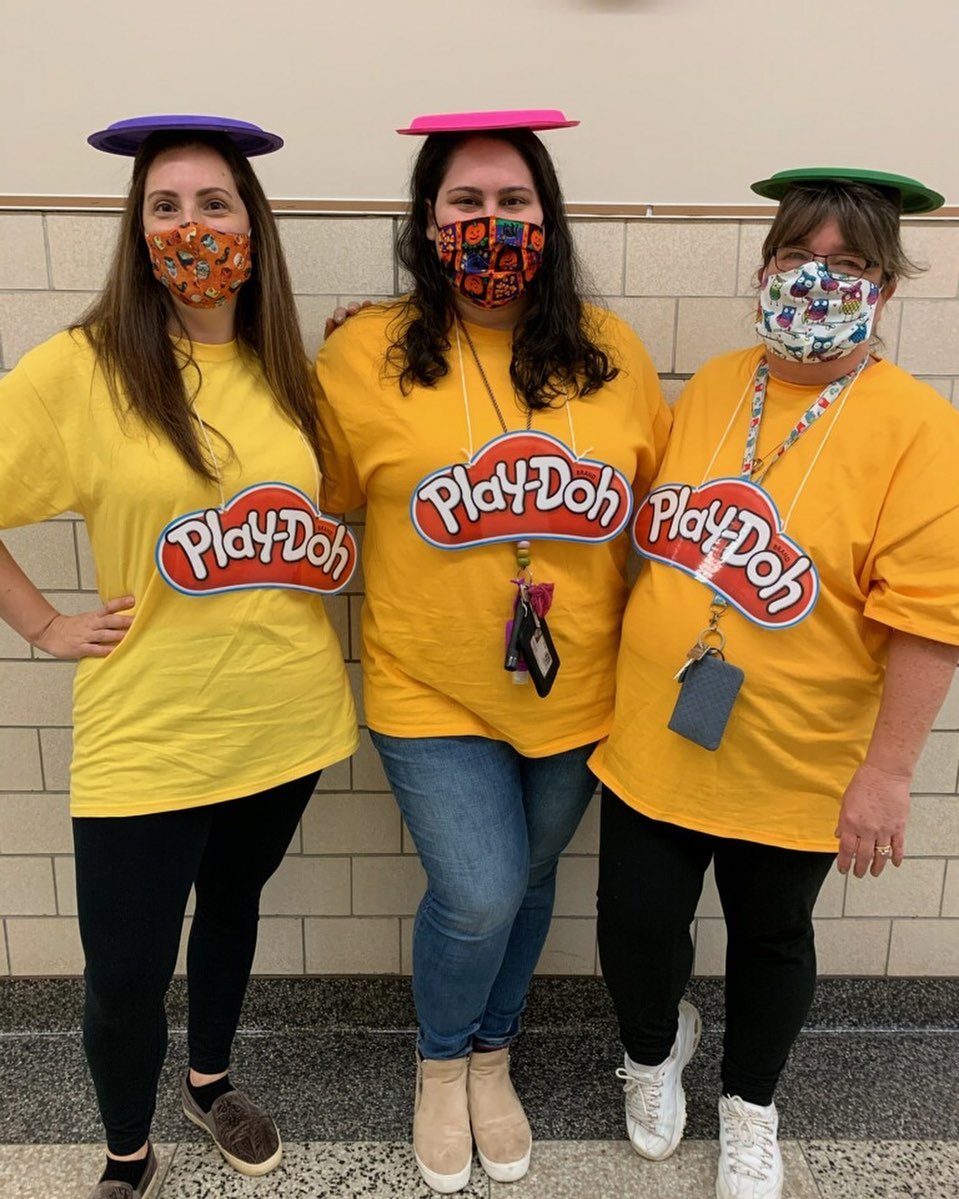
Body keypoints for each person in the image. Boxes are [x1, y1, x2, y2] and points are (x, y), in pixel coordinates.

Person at [0, 114, 358, 1199]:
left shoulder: (291, 370)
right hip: (147, 730)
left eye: (214, 203)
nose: (191, 223)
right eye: (166, 204)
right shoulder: (81, 367)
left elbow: (343, 504)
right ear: (136, 225)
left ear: (252, 225)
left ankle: (210, 1080)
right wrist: (42, 623)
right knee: (120, 975)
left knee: (234, 905)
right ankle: (125, 1154)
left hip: (284, 717)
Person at [317, 109, 670, 1192]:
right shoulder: (362, 351)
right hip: (428, 684)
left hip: (577, 687)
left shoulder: (611, 352)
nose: (490, 221)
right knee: (475, 887)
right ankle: (436, 1064)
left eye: (513, 201)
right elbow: (324, 513)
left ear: (547, 219)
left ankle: (490, 1050)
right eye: (465, 202)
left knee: (526, 879)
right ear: (427, 225)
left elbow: (655, 516)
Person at [590, 167, 959, 1199]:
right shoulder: (712, 384)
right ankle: (650, 1049)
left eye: (843, 264)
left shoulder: (918, 428)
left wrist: (886, 774)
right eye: (796, 258)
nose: (814, 280)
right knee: (633, 918)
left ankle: (750, 1102)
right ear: (762, 271)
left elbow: (930, 618)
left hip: (797, 755)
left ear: (882, 287)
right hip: (660, 735)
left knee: (767, 935)